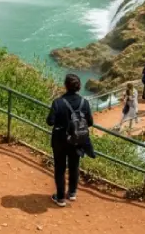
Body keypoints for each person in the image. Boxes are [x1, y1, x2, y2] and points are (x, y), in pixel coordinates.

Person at [46, 73, 94, 207]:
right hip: (76, 140)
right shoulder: (85, 103)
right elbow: (90, 122)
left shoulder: (58, 102)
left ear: (65, 86)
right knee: (74, 165)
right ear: (79, 87)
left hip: (60, 140)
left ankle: (60, 198)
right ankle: (72, 193)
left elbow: (50, 121)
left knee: (60, 168)